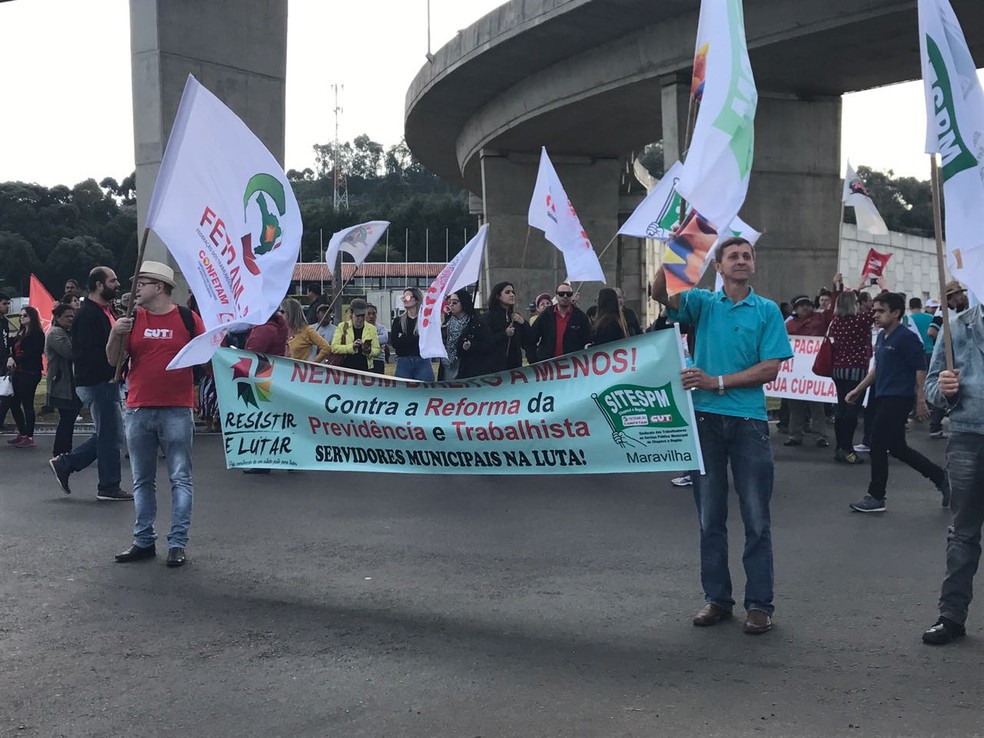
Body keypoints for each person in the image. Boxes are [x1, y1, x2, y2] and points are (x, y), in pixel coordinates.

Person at [651, 236, 792, 635]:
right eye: (733, 256)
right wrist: (677, 249)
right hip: (706, 423)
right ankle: (717, 599)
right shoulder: (703, 303)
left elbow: (770, 369)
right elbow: (659, 291)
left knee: (756, 519)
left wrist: (717, 381)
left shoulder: (766, 311)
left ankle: (759, 605)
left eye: (747, 255)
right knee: (709, 516)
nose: (742, 261)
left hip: (748, 422)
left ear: (754, 265)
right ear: (718, 266)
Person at [107, 261, 205, 567]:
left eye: (142, 282)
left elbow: (209, 355)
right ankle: (144, 540)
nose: (136, 288)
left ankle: (177, 543)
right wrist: (115, 335)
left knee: (180, 478)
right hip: (138, 408)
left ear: (159, 287)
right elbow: (114, 361)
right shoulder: (131, 319)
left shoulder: (188, 319)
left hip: (177, 409)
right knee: (141, 479)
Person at [846, 292, 949, 513]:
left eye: (881, 311)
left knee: (877, 444)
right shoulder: (883, 337)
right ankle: (941, 477)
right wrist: (858, 389)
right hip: (882, 396)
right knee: (898, 448)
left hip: (898, 398)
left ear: (896, 313)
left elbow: (920, 368)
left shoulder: (906, 337)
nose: (875, 315)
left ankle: (876, 496)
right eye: (874, 310)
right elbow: (878, 368)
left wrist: (920, 400)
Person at [921, 297, 984, 644]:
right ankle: (951, 616)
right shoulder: (956, 327)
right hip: (968, 437)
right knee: (963, 533)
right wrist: (945, 390)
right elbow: (931, 388)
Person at [48, 267, 131, 500]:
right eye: (112, 280)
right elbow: (86, 354)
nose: (117, 284)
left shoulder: (105, 311)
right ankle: (108, 485)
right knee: (111, 435)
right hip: (98, 381)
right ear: (98, 285)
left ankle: (66, 464)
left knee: (110, 434)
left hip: (105, 380)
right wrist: (110, 371)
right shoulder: (88, 315)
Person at [827, 290, 875, 464]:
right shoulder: (859, 321)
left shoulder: (836, 322)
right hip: (856, 371)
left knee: (841, 409)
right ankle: (847, 448)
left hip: (838, 370)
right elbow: (875, 312)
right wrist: (883, 288)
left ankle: (840, 447)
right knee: (851, 411)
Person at [784, 293, 833, 448]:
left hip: (815, 369)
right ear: (795, 308)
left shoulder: (820, 319)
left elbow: (833, 313)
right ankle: (795, 434)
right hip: (796, 370)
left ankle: (820, 435)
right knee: (794, 404)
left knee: (816, 404)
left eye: (807, 304)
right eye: (801, 305)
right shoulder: (789, 324)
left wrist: (836, 288)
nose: (805, 307)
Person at [926, 281, 970, 440]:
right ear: (953, 296)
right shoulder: (941, 312)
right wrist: (946, 342)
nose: (961, 296)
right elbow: (931, 331)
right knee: (945, 387)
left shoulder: (956, 311)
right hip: (944, 357)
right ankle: (935, 426)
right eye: (959, 293)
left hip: (953, 355)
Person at [5, 305, 45, 448]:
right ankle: (22, 432)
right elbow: (11, 348)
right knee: (14, 403)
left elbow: (33, 353)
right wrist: (11, 357)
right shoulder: (21, 333)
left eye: (25, 316)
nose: (22, 318)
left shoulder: (37, 334)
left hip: (30, 372)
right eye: (21, 316)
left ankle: (29, 435)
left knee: (27, 403)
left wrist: (15, 360)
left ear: (32, 317)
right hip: (19, 372)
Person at [45, 302, 82, 457]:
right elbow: (71, 352)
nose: (71, 319)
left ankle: (65, 450)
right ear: (58, 317)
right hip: (62, 383)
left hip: (70, 382)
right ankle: (60, 452)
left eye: (73, 316)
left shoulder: (67, 332)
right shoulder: (56, 333)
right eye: (67, 316)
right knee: (67, 418)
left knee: (69, 418)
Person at [529, 282, 591, 362]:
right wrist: (533, 360)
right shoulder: (546, 315)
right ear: (556, 296)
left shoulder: (580, 317)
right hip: (548, 366)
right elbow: (532, 338)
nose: (565, 296)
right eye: (561, 294)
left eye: (568, 294)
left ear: (572, 296)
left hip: (573, 366)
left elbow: (588, 342)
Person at [481, 281, 530, 373]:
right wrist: (504, 334)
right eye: (507, 292)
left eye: (513, 292)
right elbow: (484, 342)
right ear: (498, 296)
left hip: (515, 369)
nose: (512, 295)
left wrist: (523, 322)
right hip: (494, 369)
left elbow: (528, 340)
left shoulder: (516, 317)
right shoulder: (488, 317)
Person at [391, 287, 435, 381]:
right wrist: (416, 337)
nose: (404, 300)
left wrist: (404, 338)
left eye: (406, 297)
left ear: (416, 299)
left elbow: (428, 340)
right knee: (403, 392)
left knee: (425, 391)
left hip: (422, 361)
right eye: (403, 298)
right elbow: (394, 343)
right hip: (403, 362)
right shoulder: (398, 321)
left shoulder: (425, 320)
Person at [331, 298, 380, 372]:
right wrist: (351, 347)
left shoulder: (371, 328)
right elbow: (334, 348)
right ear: (351, 313)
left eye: (363, 315)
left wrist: (368, 350)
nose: (360, 318)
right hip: (345, 369)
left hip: (366, 369)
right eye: (357, 315)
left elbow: (377, 351)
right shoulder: (342, 326)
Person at [281, 297, 331, 363]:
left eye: (282, 312)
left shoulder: (308, 331)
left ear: (291, 313)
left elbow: (326, 348)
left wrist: (312, 364)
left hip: (301, 371)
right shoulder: (282, 331)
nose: (280, 314)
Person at [366, 303, 389, 374]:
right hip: (365, 360)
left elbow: (384, 339)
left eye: (374, 314)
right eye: (369, 314)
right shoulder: (362, 328)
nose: (371, 316)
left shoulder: (382, 328)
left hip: (378, 361)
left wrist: (368, 340)